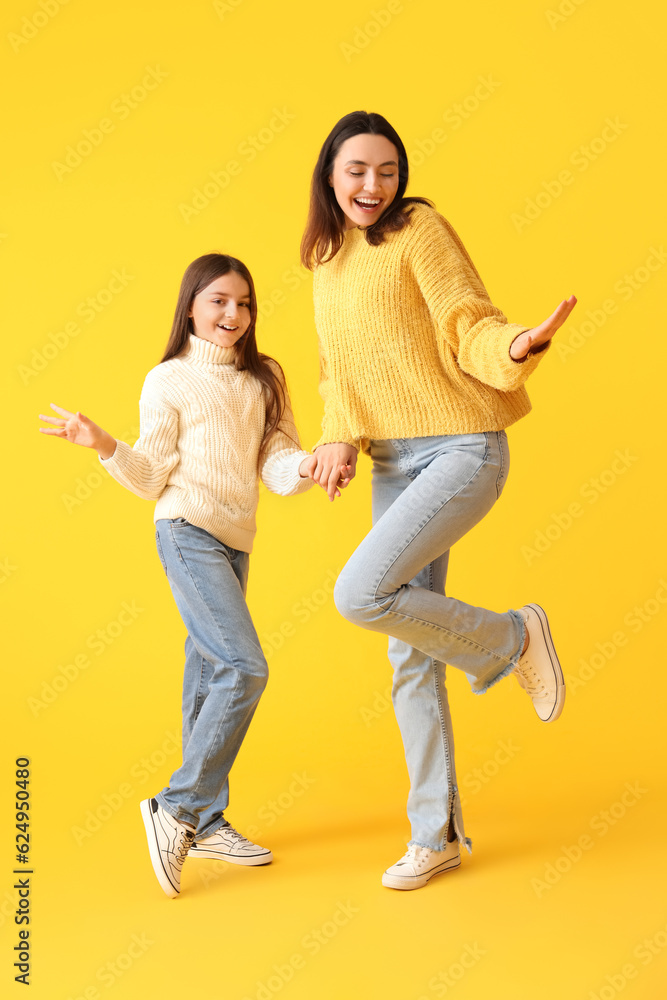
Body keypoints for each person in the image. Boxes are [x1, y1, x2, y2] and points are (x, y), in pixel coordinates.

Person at [300, 111, 577, 891]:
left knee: (360, 594)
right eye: (357, 170)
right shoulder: (325, 259)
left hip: (460, 445)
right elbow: (337, 375)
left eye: (387, 170)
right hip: (391, 461)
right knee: (407, 653)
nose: (372, 185)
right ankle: (436, 836)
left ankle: (511, 639)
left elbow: (467, 321)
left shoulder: (418, 229)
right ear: (329, 174)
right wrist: (337, 440)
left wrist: (515, 345)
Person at [39, 253, 342, 898]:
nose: (233, 315)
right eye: (219, 302)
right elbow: (152, 476)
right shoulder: (167, 380)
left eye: (244, 303)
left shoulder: (266, 380)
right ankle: (177, 807)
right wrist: (104, 445)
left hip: (236, 541)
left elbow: (278, 462)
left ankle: (202, 820)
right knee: (245, 666)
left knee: (209, 673)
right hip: (186, 529)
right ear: (192, 307)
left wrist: (311, 465)